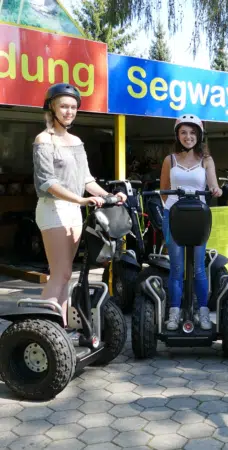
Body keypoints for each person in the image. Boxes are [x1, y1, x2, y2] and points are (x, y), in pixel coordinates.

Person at [33, 83, 127, 327]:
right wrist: (81, 200)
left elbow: (86, 180)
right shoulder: (44, 140)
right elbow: (47, 182)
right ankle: (41, 330)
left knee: (66, 276)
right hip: (52, 209)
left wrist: (110, 195)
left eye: (73, 107)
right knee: (59, 274)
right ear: (51, 108)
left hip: (73, 210)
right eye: (63, 106)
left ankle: (59, 329)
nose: (69, 111)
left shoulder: (76, 141)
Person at [160, 114, 222, 331]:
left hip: (198, 217)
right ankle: (174, 313)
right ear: (178, 135)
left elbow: (213, 184)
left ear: (199, 135)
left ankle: (203, 312)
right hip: (174, 216)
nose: (188, 136)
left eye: (193, 132)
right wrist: (174, 208)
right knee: (176, 267)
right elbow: (163, 190)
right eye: (184, 132)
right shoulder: (170, 159)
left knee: (198, 268)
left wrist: (216, 189)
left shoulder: (207, 160)